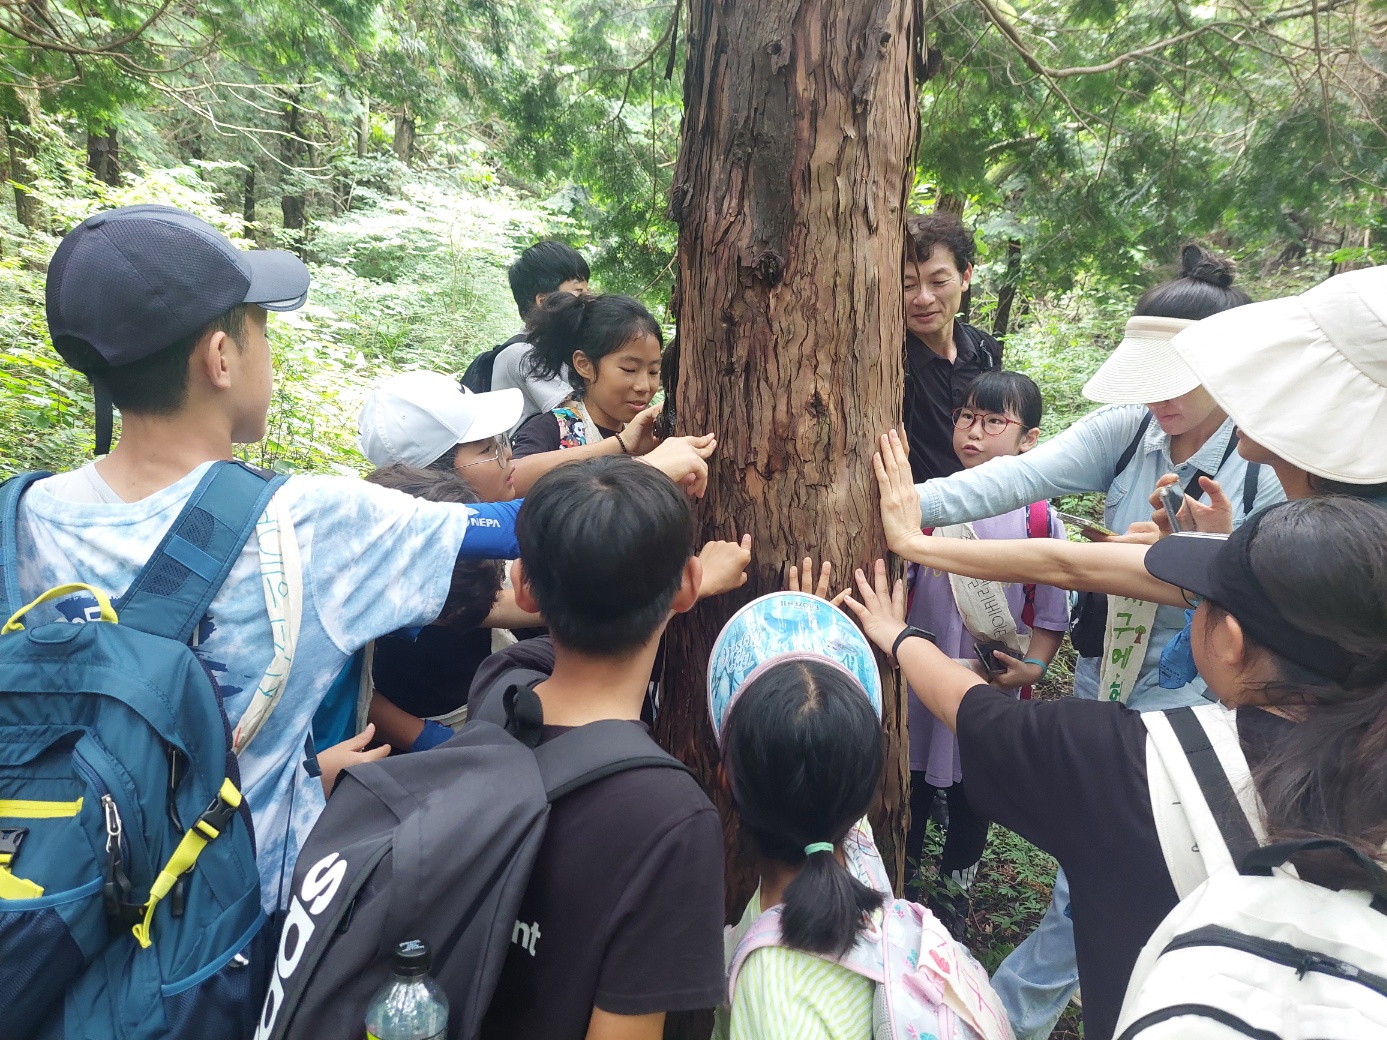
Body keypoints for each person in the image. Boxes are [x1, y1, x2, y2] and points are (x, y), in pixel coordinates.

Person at [20, 204, 520, 914]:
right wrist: (651, 466)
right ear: (220, 358)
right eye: (260, 329)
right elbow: (515, 529)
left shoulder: (19, 517)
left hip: (56, 905)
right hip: (237, 933)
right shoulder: (306, 521)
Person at [844, 494, 1387, 1040]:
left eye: (1202, 599)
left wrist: (898, 634)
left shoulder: (1130, 762)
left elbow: (975, 711)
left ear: (1229, 640)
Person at [479, 456, 726, 1040]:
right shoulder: (672, 819)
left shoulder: (495, 693)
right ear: (689, 586)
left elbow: (551, 655)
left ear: (524, 587)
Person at [904, 372, 1068, 938]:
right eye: (967, 417)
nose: (974, 432)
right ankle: (901, 891)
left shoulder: (1038, 520)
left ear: (1029, 439)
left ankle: (952, 908)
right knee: (911, 788)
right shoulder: (930, 504)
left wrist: (1034, 668)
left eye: (994, 420)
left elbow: (1051, 614)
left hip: (988, 690)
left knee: (973, 799)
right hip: (920, 685)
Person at [901, 211, 1004, 483]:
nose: (924, 299)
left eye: (938, 282)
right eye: (907, 285)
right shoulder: (886, 361)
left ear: (965, 276)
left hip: (983, 499)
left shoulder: (984, 349)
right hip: (920, 507)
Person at [489, 240, 591, 435]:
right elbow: (577, 423)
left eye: (588, 291)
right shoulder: (522, 354)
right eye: (578, 292)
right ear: (544, 301)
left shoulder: (559, 350)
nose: (589, 300)